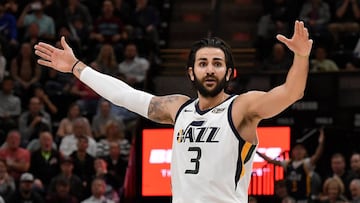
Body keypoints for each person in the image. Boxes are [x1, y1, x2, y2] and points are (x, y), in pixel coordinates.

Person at [34, 20, 313, 203]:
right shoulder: (177, 108)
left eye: (217, 63)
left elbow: (291, 93)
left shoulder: (242, 108)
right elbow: (124, 95)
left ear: (229, 72)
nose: (210, 69)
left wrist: (301, 56)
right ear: (191, 73)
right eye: (203, 63)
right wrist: (75, 67)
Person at [257, 128, 325, 202]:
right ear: (292, 152)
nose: (298, 151)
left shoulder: (307, 163)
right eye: (296, 149)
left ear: (305, 152)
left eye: (301, 149)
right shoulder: (288, 163)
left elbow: (317, 155)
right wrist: (256, 151)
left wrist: (321, 143)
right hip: (291, 198)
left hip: (304, 198)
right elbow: (270, 160)